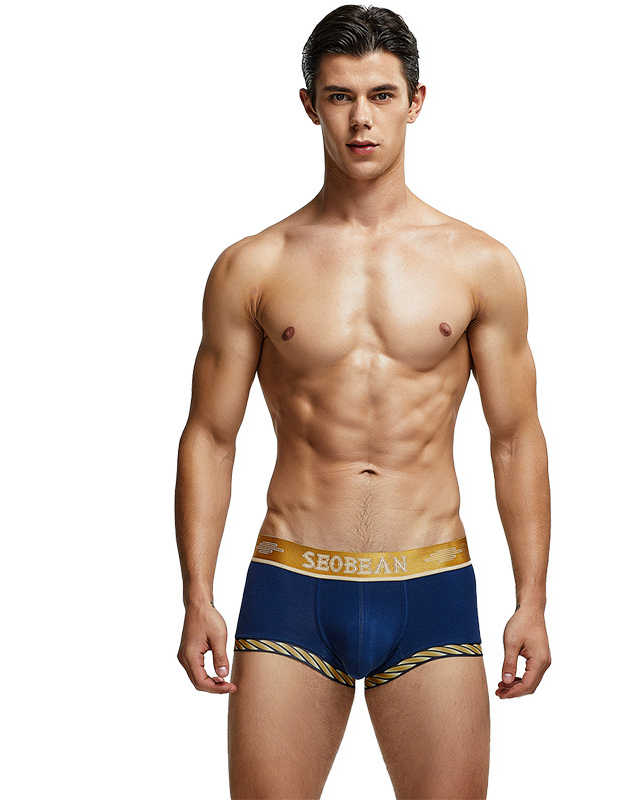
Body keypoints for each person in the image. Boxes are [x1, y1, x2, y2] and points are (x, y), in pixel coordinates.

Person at [175, 5, 551, 798]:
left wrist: (533, 600)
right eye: (340, 97)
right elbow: (211, 436)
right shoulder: (254, 266)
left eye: (381, 95)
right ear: (309, 105)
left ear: (417, 102)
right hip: (290, 585)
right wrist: (196, 595)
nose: (361, 119)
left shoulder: (480, 264)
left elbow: (515, 438)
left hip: (431, 583)